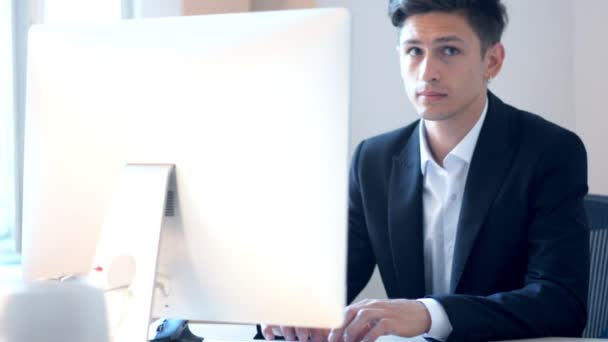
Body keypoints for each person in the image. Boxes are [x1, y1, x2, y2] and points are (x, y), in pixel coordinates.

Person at [261, 0, 589, 341]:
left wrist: (429, 314)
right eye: (414, 51)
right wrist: (292, 310)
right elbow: (331, 285)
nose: (427, 71)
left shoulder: (549, 151)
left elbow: (561, 303)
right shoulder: (374, 160)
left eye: (449, 50)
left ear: (492, 60)